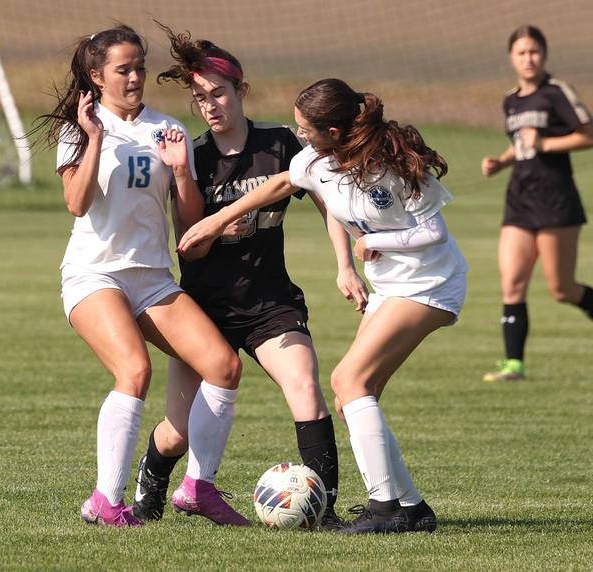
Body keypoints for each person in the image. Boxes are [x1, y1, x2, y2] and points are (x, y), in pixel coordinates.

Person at [178, 78, 468, 534]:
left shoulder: (390, 165)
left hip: (430, 285)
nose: (300, 136)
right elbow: (278, 183)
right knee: (353, 392)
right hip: (392, 286)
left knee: (348, 380)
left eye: (306, 129)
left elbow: (435, 232)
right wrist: (219, 218)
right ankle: (411, 507)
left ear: (334, 131)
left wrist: (377, 240)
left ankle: (383, 507)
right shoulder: (316, 159)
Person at [130, 25, 368, 530]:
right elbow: (185, 237)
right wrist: (214, 228)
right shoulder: (191, 155)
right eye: (200, 98)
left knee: (305, 387)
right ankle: (149, 494)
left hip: (269, 303)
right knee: (177, 431)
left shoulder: (281, 143)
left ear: (242, 90)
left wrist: (344, 263)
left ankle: (322, 510)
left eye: (218, 93)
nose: (210, 105)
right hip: (204, 308)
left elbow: (331, 206)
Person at [35, 24, 249, 528]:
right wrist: (93, 138)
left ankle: (198, 486)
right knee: (134, 372)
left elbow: (188, 223)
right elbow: (76, 202)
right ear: (97, 75)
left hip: (152, 278)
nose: (134, 78)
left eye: (139, 68)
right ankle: (105, 501)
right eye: (123, 69)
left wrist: (179, 170)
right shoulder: (79, 128)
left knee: (223, 367)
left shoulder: (166, 128)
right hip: (94, 276)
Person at [480, 25, 593, 382]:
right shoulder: (511, 100)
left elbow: (591, 136)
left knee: (561, 288)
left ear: (544, 54)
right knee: (512, 282)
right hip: (519, 200)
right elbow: (521, 143)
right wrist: (502, 161)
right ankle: (514, 365)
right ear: (511, 58)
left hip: (556, 201)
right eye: (521, 53)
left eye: (534, 51)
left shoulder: (557, 92)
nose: (528, 58)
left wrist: (546, 144)